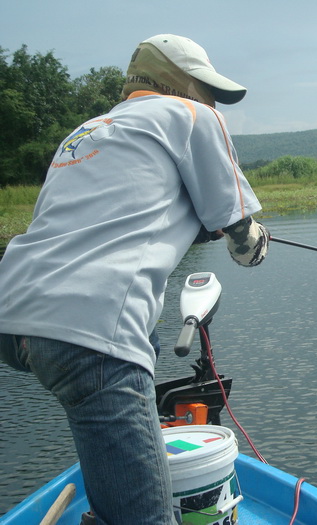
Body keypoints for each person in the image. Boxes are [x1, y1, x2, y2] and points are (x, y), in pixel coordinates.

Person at [0, 34, 269, 524]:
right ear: (180, 82)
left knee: (136, 350)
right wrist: (249, 238)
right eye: (206, 87)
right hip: (90, 330)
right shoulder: (192, 116)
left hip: (14, 322)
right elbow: (243, 239)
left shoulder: (84, 133)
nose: (210, 100)